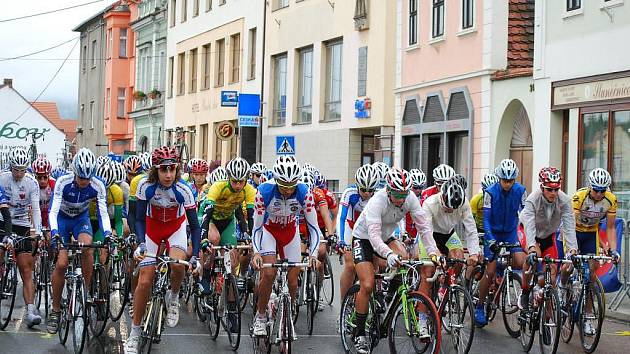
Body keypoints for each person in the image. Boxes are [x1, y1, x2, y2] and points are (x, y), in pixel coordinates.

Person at [351, 167, 439, 353]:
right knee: (366, 285)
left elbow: (424, 228)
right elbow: (374, 237)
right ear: (388, 190)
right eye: (397, 194)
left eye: (403, 194)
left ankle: (388, 293)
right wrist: (388, 255)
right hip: (365, 238)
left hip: (387, 236)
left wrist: (434, 253)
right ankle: (359, 333)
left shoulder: (410, 198)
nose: (401, 199)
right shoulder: (377, 201)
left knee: (405, 259)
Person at [124, 146, 201, 354]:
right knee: (145, 281)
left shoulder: (184, 190)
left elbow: (194, 226)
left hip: (176, 228)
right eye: (163, 170)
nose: (168, 175)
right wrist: (140, 243)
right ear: (155, 170)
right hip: (151, 229)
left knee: (178, 265)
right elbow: (138, 219)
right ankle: (135, 332)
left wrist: (195, 256)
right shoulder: (144, 186)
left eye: (172, 169)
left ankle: (174, 297)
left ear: (177, 169)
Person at [250, 156, 322, 337]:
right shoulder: (264, 191)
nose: (288, 190)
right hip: (269, 232)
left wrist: (313, 254)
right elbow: (257, 227)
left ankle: (287, 315)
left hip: (290, 232)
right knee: (268, 273)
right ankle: (260, 318)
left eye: (292, 186)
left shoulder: (304, 192)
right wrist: (257, 252)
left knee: (292, 281)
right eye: (283, 186)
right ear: (276, 180)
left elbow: (314, 228)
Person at [47, 148, 112, 334]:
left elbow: (102, 213)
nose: (84, 182)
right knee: (61, 263)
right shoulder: (63, 182)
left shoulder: (98, 185)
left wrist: (107, 234)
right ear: (74, 172)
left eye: (88, 178)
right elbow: (53, 210)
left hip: (81, 220)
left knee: (88, 248)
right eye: (81, 178)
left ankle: (87, 290)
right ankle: (56, 309)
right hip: (62, 219)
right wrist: (54, 233)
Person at [475, 159, 527, 326]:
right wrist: (490, 239)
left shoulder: (521, 191)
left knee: (521, 261)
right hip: (494, 233)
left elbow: (524, 216)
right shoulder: (490, 192)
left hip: (511, 232)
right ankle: (480, 305)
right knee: (489, 272)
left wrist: (524, 235)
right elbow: (487, 219)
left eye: (511, 181)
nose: (508, 184)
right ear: (499, 178)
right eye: (505, 180)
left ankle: (522, 294)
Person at [519, 167, 578, 312]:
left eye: (556, 189)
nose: (553, 193)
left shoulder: (564, 200)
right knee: (535, 255)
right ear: (542, 187)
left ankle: (541, 295)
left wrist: (572, 249)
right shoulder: (533, 199)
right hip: (527, 231)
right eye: (549, 189)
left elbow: (569, 226)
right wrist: (532, 247)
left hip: (548, 236)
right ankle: (525, 291)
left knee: (551, 279)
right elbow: (529, 225)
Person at [199, 157, 255, 304]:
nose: (237, 185)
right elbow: (207, 213)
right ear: (228, 177)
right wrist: (204, 238)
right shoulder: (218, 187)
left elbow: (250, 216)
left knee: (232, 263)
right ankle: (205, 276)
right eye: (234, 181)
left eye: (241, 181)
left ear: (246, 180)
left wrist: (251, 238)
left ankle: (231, 309)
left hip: (228, 221)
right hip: (211, 219)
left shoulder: (249, 190)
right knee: (214, 239)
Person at [569, 168, 618, 335]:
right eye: (596, 190)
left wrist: (613, 249)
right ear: (590, 187)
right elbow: (569, 224)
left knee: (591, 275)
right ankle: (562, 285)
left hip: (591, 233)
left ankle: (588, 316)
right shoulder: (579, 197)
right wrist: (572, 249)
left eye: (602, 190)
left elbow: (610, 227)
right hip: (573, 231)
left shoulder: (610, 200)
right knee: (567, 266)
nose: (599, 193)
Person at [0, 148, 42, 328]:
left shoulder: (32, 183)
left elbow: (37, 209)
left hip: (23, 223)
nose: (19, 173)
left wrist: (38, 232)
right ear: (10, 167)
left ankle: (31, 311)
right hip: (3, 221)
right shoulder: (2, 178)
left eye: (22, 170)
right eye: (16, 169)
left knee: (26, 268)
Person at [336, 164, 379, 306]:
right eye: (363, 189)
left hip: (369, 231)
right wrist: (341, 240)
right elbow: (341, 218)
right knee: (350, 265)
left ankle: (375, 298)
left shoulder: (379, 195)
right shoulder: (350, 193)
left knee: (378, 265)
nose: (366, 193)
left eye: (370, 190)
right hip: (351, 228)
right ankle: (344, 304)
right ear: (357, 185)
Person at [32, 158, 56, 233]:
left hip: (49, 214)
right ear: (35, 176)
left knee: (50, 239)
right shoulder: (31, 184)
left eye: (45, 177)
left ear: (49, 176)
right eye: (39, 177)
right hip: (35, 214)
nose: (42, 181)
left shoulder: (54, 184)